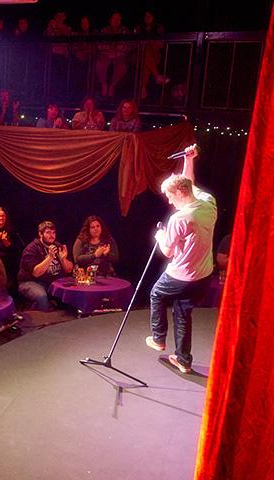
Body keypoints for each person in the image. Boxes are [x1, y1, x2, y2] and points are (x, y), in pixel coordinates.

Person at [146, 146, 216, 374]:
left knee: (156, 294)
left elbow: (167, 251)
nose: (169, 201)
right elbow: (189, 182)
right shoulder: (208, 203)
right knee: (183, 312)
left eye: (169, 196)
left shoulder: (180, 218)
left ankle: (158, 338)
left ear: (179, 194)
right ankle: (183, 360)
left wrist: (160, 235)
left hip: (182, 275)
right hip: (203, 275)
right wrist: (189, 159)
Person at [17, 221, 74, 311]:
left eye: (54, 233)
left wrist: (63, 259)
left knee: (71, 292)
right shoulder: (31, 249)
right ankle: (44, 322)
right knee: (42, 297)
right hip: (31, 281)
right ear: (40, 234)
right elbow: (36, 273)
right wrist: (50, 258)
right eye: (48, 232)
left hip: (51, 281)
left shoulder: (58, 245)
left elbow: (69, 270)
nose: (52, 235)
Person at [95, 11, 132, 99]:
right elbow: (100, 45)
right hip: (106, 55)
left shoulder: (125, 31)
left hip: (120, 56)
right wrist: (111, 47)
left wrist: (116, 47)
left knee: (122, 67)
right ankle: (104, 84)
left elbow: (128, 46)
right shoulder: (104, 30)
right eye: (114, 18)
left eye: (118, 19)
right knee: (99, 65)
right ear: (110, 20)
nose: (116, 21)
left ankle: (112, 85)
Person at [134, 10, 169, 101]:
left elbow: (161, 44)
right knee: (145, 53)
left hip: (154, 55)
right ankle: (157, 76)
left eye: (150, 15)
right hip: (139, 55)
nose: (147, 17)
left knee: (147, 58)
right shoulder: (139, 27)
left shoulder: (159, 27)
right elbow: (135, 42)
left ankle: (142, 90)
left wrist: (149, 40)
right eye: (145, 15)